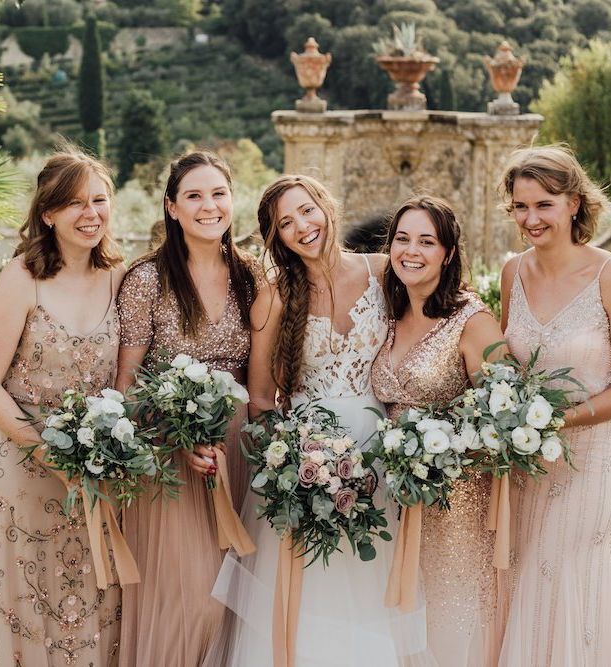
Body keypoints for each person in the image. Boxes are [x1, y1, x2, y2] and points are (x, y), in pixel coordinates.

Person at [213, 175, 432, 667]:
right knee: (314, 580)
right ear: (277, 237)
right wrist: (296, 463)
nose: (301, 227)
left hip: (380, 454)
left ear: (326, 207)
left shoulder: (382, 271)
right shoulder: (274, 297)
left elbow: (435, 320)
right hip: (310, 456)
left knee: (374, 576)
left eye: (306, 211)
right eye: (285, 223)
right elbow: (262, 400)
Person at [0, 147, 125, 666]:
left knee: (91, 591)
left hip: (97, 466)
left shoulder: (121, 277)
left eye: (99, 200)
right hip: (19, 461)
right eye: (75, 203)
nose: (90, 213)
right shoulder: (21, 277)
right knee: (23, 595)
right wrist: (45, 449)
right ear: (48, 213)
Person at [114, 150, 260, 667]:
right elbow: (126, 384)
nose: (209, 206)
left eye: (218, 193)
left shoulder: (253, 278)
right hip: (169, 459)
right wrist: (176, 433)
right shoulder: (147, 281)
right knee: (193, 601)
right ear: (171, 208)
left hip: (238, 451)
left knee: (238, 601)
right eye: (194, 196)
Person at [370, 195, 505, 667]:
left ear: (447, 254)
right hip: (394, 501)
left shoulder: (473, 321)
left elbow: (502, 422)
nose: (412, 250)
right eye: (402, 239)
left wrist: (440, 454)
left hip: (454, 507)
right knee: (400, 630)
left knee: (448, 629)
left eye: (427, 241)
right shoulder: (389, 314)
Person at [497, 145, 611, 666]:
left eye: (544, 204)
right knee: (526, 575)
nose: (531, 219)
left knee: (570, 574)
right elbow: (505, 370)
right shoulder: (511, 272)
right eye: (521, 207)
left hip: (591, 459)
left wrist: (558, 422)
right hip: (525, 467)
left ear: (573, 203)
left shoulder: (607, 274)